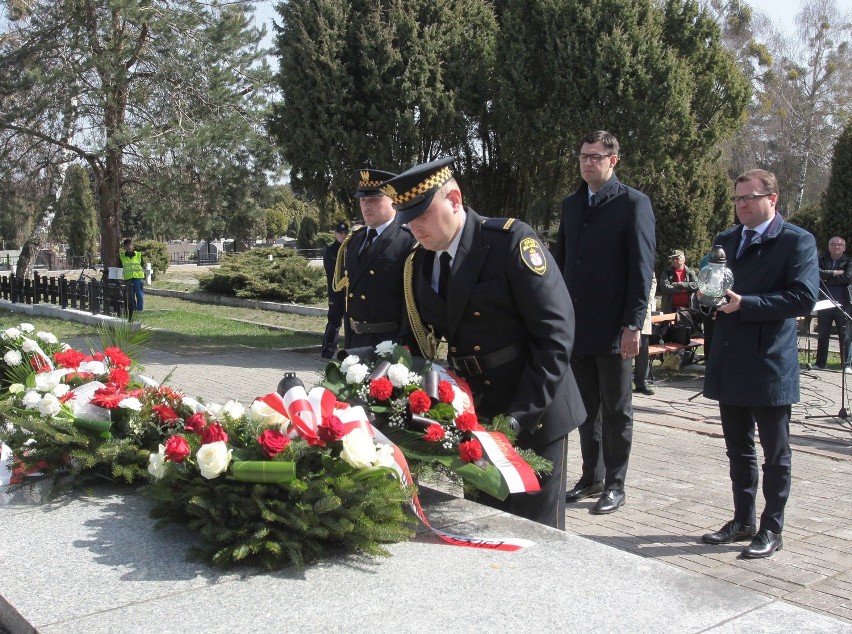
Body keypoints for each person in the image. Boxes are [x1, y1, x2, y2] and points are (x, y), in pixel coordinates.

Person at [383, 157, 586, 530]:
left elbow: (555, 337)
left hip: (531, 409)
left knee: (535, 534)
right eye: (407, 219)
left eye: (422, 214)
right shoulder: (421, 264)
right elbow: (413, 342)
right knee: (485, 526)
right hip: (474, 415)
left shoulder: (509, 242)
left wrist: (517, 419)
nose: (414, 227)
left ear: (455, 199)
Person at [700, 169, 818, 559]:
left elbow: (802, 298)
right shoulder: (726, 240)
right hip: (730, 356)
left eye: (749, 197)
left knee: (776, 453)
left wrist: (746, 304)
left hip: (769, 363)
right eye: (737, 199)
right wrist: (705, 297)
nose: (742, 205)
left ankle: (772, 527)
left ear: (773, 199)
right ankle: (742, 520)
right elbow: (716, 287)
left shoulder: (796, 241)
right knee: (738, 449)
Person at [553, 130, 656, 514]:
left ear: (614, 160)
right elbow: (561, 265)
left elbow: (641, 271)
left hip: (615, 328)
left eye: (595, 157)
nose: (587, 162)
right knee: (585, 408)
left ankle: (615, 482)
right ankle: (591, 476)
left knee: (616, 409)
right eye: (583, 156)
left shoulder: (633, 204)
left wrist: (633, 325)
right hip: (577, 326)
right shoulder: (572, 204)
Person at [333, 168, 415, 349]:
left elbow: (412, 303)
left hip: (390, 342)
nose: (366, 206)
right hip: (356, 339)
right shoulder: (354, 240)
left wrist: (405, 348)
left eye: (374, 199)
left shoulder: (408, 240)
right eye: (363, 200)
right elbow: (349, 297)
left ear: (393, 200)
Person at [815, 236, 852, 372]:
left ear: (844, 248)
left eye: (839, 245)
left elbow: (848, 277)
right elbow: (816, 274)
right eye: (833, 244)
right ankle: (820, 363)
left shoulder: (848, 262)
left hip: (843, 304)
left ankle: (846, 364)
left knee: (845, 336)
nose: (836, 247)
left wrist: (827, 279)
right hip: (824, 303)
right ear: (829, 247)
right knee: (822, 334)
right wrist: (834, 273)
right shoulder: (820, 260)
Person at [321, 223, 348, 359]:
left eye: (345, 233)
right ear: (335, 234)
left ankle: (350, 351)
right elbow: (333, 271)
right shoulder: (331, 250)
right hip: (336, 291)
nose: (343, 235)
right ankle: (327, 351)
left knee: (350, 323)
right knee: (334, 322)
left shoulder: (350, 249)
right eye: (340, 233)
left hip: (349, 292)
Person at [634, 274, 657, 395]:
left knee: (642, 351)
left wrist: (646, 300)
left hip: (642, 310)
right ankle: (624, 383)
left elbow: (652, 281)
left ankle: (641, 382)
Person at [660, 249, 699, 313]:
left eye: (677, 258)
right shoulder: (666, 273)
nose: (674, 261)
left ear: (684, 260)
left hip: (688, 309)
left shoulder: (690, 272)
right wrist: (682, 290)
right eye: (672, 259)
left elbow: (696, 285)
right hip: (670, 309)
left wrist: (679, 284)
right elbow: (664, 287)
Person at [119, 238, 145, 313]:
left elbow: (142, 265)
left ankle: (139, 309)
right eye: (127, 245)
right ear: (125, 247)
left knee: (139, 294)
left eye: (130, 245)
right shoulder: (122, 257)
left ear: (132, 245)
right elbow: (120, 267)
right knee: (131, 295)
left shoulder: (138, 254)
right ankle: (133, 309)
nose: (128, 247)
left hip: (138, 277)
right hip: (128, 278)